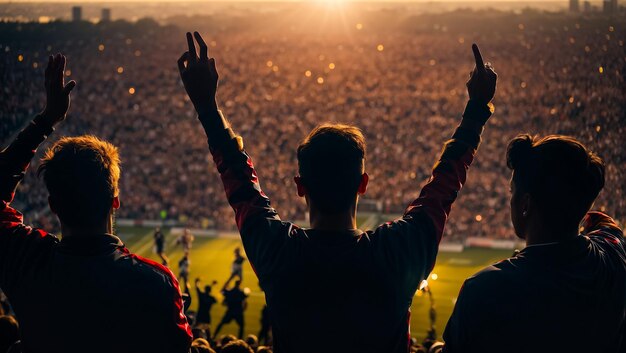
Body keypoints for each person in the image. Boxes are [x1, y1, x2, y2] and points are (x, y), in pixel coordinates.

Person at [177, 32, 497, 352]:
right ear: (363, 185)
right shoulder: (398, 249)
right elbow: (443, 187)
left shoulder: (279, 251)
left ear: (300, 187)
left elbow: (239, 181)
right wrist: (476, 110)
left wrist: (207, 106)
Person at [0, 54, 192, 352]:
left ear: (52, 204)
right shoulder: (154, 283)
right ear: (115, 200)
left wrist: (46, 120)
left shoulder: (27, 262)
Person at [442, 135, 626, 353]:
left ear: (526, 204)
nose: (510, 200)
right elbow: (607, 228)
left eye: (512, 192)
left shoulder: (484, 291)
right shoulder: (614, 258)